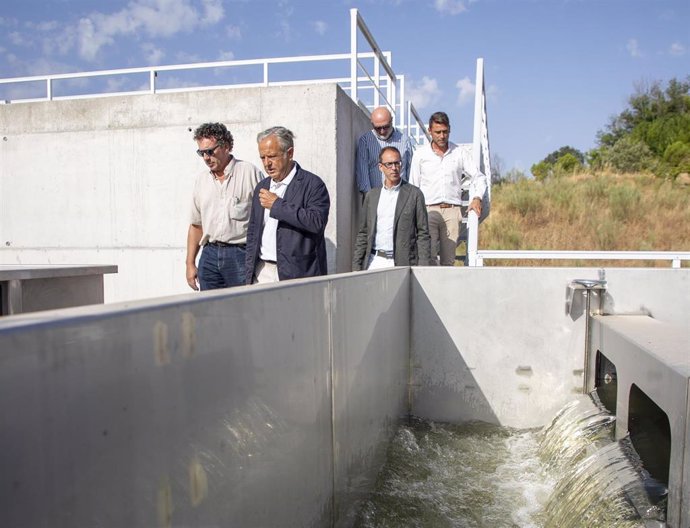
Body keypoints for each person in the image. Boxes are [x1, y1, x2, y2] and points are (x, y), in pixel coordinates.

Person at [245, 126, 331, 284]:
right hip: (262, 272)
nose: (267, 163)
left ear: (289, 153)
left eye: (272, 156)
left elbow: (317, 222)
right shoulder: (262, 186)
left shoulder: (312, 184)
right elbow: (253, 231)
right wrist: (249, 270)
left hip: (298, 274)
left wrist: (277, 205)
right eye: (262, 157)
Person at [186, 122, 262, 290]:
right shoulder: (201, 181)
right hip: (209, 255)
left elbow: (265, 219)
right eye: (201, 153)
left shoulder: (249, 173)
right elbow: (196, 225)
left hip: (240, 255)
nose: (206, 157)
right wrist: (190, 263)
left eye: (210, 151)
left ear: (226, 146)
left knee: (243, 309)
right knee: (210, 312)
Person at [409, 111, 487, 266]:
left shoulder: (459, 153)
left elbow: (479, 177)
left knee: (448, 260)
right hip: (428, 211)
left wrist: (477, 197)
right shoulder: (420, 155)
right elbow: (414, 186)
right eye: (437, 132)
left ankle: (443, 290)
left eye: (445, 132)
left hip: (452, 211)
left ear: (449, 130)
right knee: (427, 257)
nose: (442, 136)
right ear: (430, 131)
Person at [353, 146, 430, 270]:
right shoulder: (372, 196)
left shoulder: (414, 194)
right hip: (374, 261)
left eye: (397, 163)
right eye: (389, 164)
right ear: (380, 167)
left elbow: (423, 233)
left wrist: (423, 266)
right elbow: (363, 233)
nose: (394, 168)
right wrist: (356, 266)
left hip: (402, 262)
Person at [355, 106, 414, 196]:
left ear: (392, 120)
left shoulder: (405, 141)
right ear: (372, 124)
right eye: (378, 128)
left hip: (401, 197)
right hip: (376, 197)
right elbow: (363, 174)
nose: (382, 131)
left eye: (386, 127)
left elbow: (410, 171)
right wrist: (370, 199)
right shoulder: (365, 141)